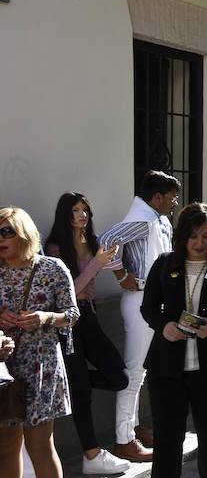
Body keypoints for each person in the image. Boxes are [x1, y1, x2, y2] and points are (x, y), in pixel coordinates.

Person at [140, 203, 207, 478]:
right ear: (182, 235)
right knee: (167, 440)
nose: (199, 243)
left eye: (206, 236)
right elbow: (148, 307)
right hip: (167, 368)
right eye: (193, 235)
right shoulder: (165, 264)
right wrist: (164, 327)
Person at [43, 193, 130, 475]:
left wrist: (112, 263)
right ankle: (91, 455)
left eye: (85, 210)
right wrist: (96, 262)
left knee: (119, 376)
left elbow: (100, 274)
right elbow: (68, 292)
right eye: (75, 210)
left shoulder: (92, 243)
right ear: (64, 215)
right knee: (81, 394)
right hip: (68, 320)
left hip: (89, 316)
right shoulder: (55, 248)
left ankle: (74, 381)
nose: (82, 215)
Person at [99, 170, 180, 462]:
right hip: (139, 300)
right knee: (133, 372)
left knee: (141, 372)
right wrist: (122, 275)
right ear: (156, 197)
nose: (174, 203)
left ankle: (132, 428)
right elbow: (106, 239)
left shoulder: (158, 220)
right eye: (171, 198)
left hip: (153, 301)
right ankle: (124, 440)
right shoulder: (143, 220)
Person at [0, 207, 79, 478]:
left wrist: (44, 317)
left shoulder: (52, 268)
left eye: (6, 231)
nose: (0, 238)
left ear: (23, 233)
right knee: (6, 445)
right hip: (3, 368)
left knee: (39, 444)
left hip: (40, 367)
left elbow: (72, 315)